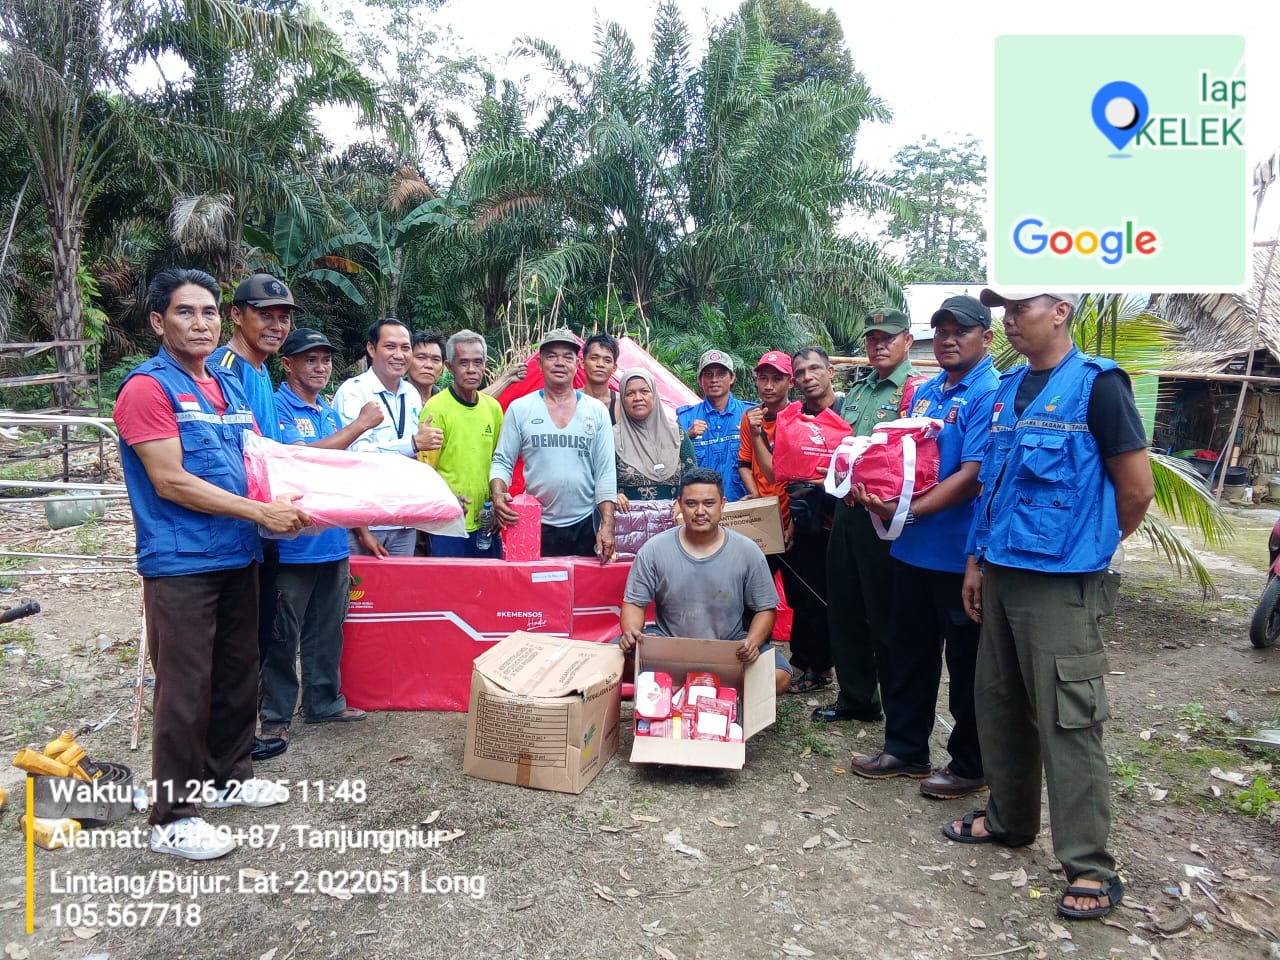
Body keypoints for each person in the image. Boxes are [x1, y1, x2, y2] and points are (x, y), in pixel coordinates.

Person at [943, 291, 1153, 923]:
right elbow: (993, 487)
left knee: (1069, 717)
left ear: (1060, 309)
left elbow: (1136, 490)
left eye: (1020, 306)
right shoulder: (1009, 389)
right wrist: (977, 562)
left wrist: (1090, 546)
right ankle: (1008, 820)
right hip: (1001, 571)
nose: (1009, 319)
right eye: (1001, 309)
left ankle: (1089, 864)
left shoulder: (1099, 387)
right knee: (999, 702)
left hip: (1061, 582)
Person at [114, 268, 309, 860]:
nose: (200, 324)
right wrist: (258, 510)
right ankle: (172, 815)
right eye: (184, 313)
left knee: (235, 671)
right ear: (158, 322)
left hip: (236, 553)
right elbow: (170, 480)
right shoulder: (148, 389)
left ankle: (229, 777)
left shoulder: (224, 389)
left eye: (208, 313)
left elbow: (256, 464)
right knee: (185, 684)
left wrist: (295, 507)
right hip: (181, 563)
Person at [847, 296, 998, 799]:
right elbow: (904, 459)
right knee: (908, 652)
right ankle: (906, 747)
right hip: (911, 549)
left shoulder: (989, 394)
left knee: (967, 663)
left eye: (962, 331)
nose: (950, 339)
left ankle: (971, 763)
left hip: (959, 555)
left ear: (987, 339)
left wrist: (907, 510)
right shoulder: (928, 392)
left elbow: (973, 477)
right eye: (942, 331)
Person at [260, 328, 384, 747]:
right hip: (292, 546)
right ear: (288, 363)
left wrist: (360, 529)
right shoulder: (276, 408)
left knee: (328, 628)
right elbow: (303, 462)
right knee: (281, 634)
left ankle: (323, 702)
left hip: (331, 543)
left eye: (325, 360)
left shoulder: (327, 413)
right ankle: (275, 714)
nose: (320, 367)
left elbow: (339, 479)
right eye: (310, 359)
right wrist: (361, 425)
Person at [817, 309, 926, 723]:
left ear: (907, 341)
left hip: (885, 516)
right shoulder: (859, 392)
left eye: (888, 338)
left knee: (886, 613)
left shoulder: (916, 390)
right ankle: (857, 698)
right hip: (847, 511)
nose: (878, 346)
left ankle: (901, 711)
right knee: (843, 606)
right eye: (872, 339)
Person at [210, 273, 302, 762]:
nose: (276, 324)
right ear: (236, 315)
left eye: (284, 316)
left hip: (262, 526)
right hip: (233, 527)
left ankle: (237, 740)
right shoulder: (223, 369)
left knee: (257, 636)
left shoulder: (260, 370)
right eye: (265, 314)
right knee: (235, 642)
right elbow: (236, 457)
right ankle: (226, 745)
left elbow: (272, 452)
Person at [619, 467, 791, 695]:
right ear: (680, 504)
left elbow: (766, 609)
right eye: (691, 504)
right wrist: (633, 633)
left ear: (723, 504)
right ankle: (689, 690)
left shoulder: (747, 551)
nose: (700, 511)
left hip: (729, 649)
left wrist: (752, 642)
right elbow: (634, 603)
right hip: (669, 646)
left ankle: (719, 695)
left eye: (709, 503)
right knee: (613, 663)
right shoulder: (654, 550)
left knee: (779, 675)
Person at [490, 327, 617, 561]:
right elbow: (502, 460)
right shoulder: (521, 409)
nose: (560, 362)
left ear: (576, 364)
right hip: (534, 521)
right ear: (539, 363)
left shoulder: (596, 411)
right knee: (535, 589)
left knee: (582, 593)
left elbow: (606, 472)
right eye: (552, 356)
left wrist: (607, 524)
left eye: (567, 357)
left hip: (585, 522)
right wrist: (498, 495)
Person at [767, 346, 844, 694]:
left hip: (841, 518)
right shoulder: (793, 419)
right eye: (800, 372)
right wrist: (792, 523)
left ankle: (823, 666)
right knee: (802, 593)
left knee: (829, 595)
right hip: (802, 516)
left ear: (831, 372)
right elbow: (782, 471)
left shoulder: (849, 412)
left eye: (815, 369)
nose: (808, 377)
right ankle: (805, 660)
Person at [331, 317, 443, 556]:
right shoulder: (354, 391)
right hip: (365, 519)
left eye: (405, 348)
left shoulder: (411, 393)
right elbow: (355, 455)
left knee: (401, 590)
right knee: (362, 593)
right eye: (390, 346)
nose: (399, 355)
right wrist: (412, 444)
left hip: (403, 519)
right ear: (371, 349)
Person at [420, 329, 506, 558]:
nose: (471, 370)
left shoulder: (493, 408)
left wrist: (498, 503)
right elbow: (425, 470)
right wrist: (448, 498)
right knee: (449, 590)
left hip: (486, 522)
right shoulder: (436, 408)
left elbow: (500, 462)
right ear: (450, 366)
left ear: (485, 364)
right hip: (448, 523)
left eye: (477, 362)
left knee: (489, 589)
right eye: (463, 363)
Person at [677, 349, 754, 502]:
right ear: (700, 380)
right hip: (702, 508)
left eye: (721, 374)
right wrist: (687, 436)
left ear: (732, 378)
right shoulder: (685, 418)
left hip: (744, 504)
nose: (714, 380)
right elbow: (672, 465)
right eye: (708, 374)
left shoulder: (750, 413)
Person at [613, 368, 697, 507]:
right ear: (622, 398)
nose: (638, 397)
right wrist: (612, 496)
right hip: (630, 524)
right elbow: (600, 482)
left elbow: (694, 480)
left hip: (676, 522)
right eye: (630, 393)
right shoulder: (611, 438)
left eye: (644, 391)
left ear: (655, 395)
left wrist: (684, 500)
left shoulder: (677, 435)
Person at [582, 332, 620, 424]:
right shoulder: (570, 400)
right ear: (582, 363)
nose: (600, 364)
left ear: (614, 368)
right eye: (594, 358)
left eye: (607, 360)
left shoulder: (622, 405)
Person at [408, 329, 447, 404]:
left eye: (435, 359)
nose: (429, 365)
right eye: (421, 358)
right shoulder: (390, 398)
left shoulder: (445, 402)